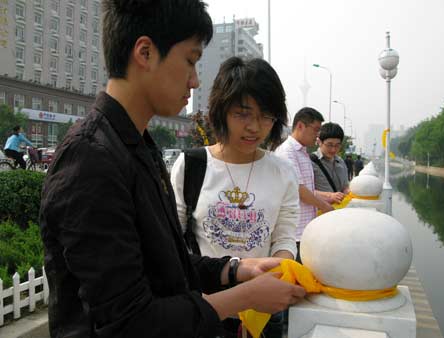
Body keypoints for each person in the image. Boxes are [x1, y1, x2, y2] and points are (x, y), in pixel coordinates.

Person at [39, 1, 305, 337]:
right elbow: (130, 322)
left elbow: (168, 265)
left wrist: (237, 269)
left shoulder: (136, 146)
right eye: (191, 60)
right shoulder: (90, 162)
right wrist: (245, 296)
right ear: (146, 52)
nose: (195, 81)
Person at [171, 56, 299, 337]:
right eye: (243, 113)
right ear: (221, 111)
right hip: (204, 305)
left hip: (262, 308)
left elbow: (285, 237)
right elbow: (173, 240)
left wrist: (275, 273)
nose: (254, 127)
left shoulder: (284, 172)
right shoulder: (191, 165)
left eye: (266, 116)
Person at [275, 107, 333, 261]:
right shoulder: (287, 152)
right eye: (315, 129)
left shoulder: (302, 152)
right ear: (300, 126)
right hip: (294, 234)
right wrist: (325, 206)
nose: (317, 135)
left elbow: (308, 189)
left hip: (305, 229)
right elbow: (299, 190)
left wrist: (327, 198)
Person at [311, 122, 350, 202]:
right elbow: (303, 192)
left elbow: (345, 187)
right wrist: (330, 196)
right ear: (319, 142)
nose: (333, 149)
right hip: (319, 212)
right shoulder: (310, 162)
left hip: (339, 211)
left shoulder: (341, 162)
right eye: (329, 145)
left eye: (337, 145)